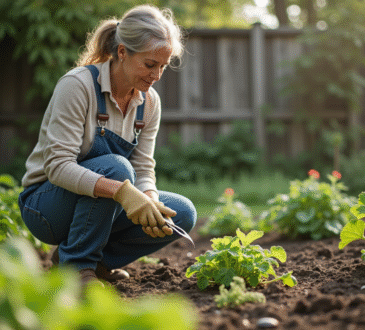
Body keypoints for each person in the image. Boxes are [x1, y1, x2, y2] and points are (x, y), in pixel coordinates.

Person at [18, 4, 197, 287]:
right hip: (46, 206)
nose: (157, 75)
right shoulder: (78, 85)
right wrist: (123, 192)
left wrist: (148, 197)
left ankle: (90, 261)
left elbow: (143, 166)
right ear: (123, 52)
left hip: (101, 201)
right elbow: (57, 166)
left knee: (182, 213)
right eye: (150, 64)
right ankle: (78, 266)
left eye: (163, 66)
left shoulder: (149, 103)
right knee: (116, 168)